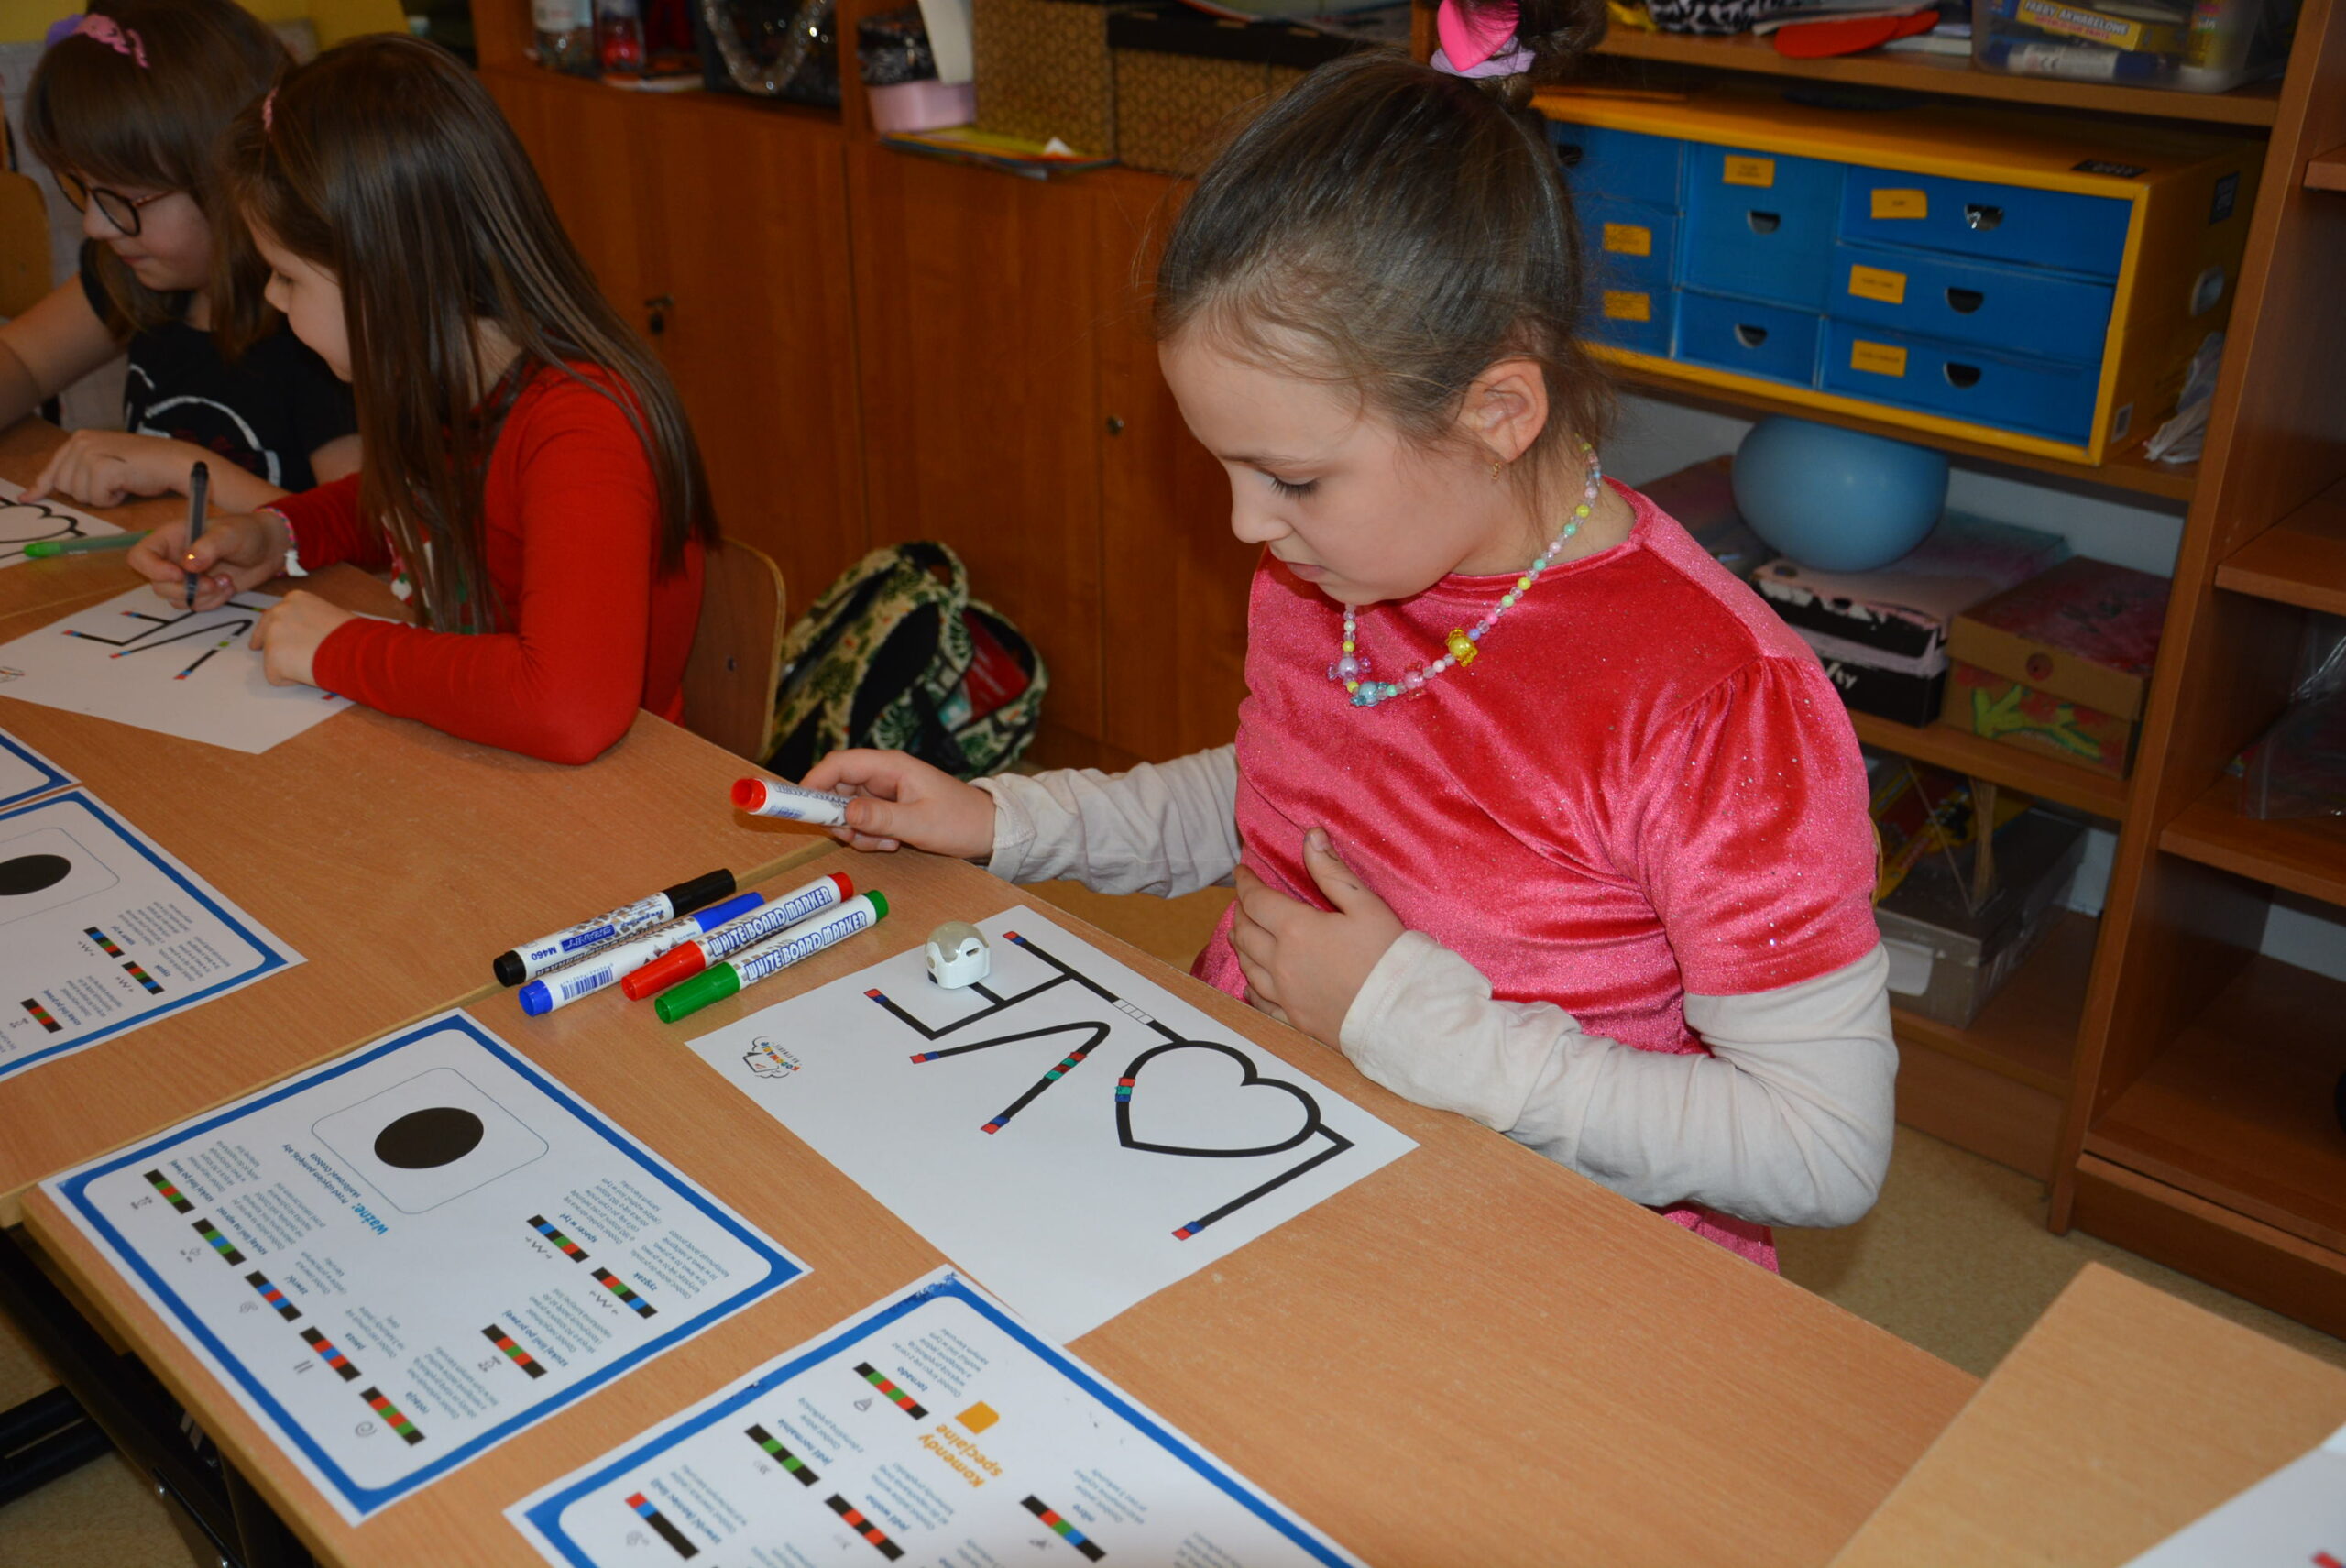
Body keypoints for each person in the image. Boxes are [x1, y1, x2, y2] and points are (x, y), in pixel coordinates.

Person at [797, 3, 1898, 1267]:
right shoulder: (1337, 560)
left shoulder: (1718, 701)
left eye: (1293, 478)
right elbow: (1288, 798)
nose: (1245, 525)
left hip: (1549, 1254)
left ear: (1497, 411)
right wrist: (1008, 820)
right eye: (1225, 469)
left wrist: (1407, 1020)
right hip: (1274, 1141)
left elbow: (1823, 1145)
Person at [125, 35, 716, 765]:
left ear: (383, 277)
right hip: (491, 765)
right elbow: (415, 509)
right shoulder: (456, 384)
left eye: (287, 276)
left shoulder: (582, 429)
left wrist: (340, 647)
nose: (272, 299)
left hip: (608, 801)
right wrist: (279, 537)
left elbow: (567, 707)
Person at [7, 0, 358, 511]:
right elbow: (23, 361)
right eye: (83, 188)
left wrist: (184, 468)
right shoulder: (139, 276)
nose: (95, 226)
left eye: (126, 200)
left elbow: (363, 534)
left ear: (229, 183)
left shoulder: (318, 332)